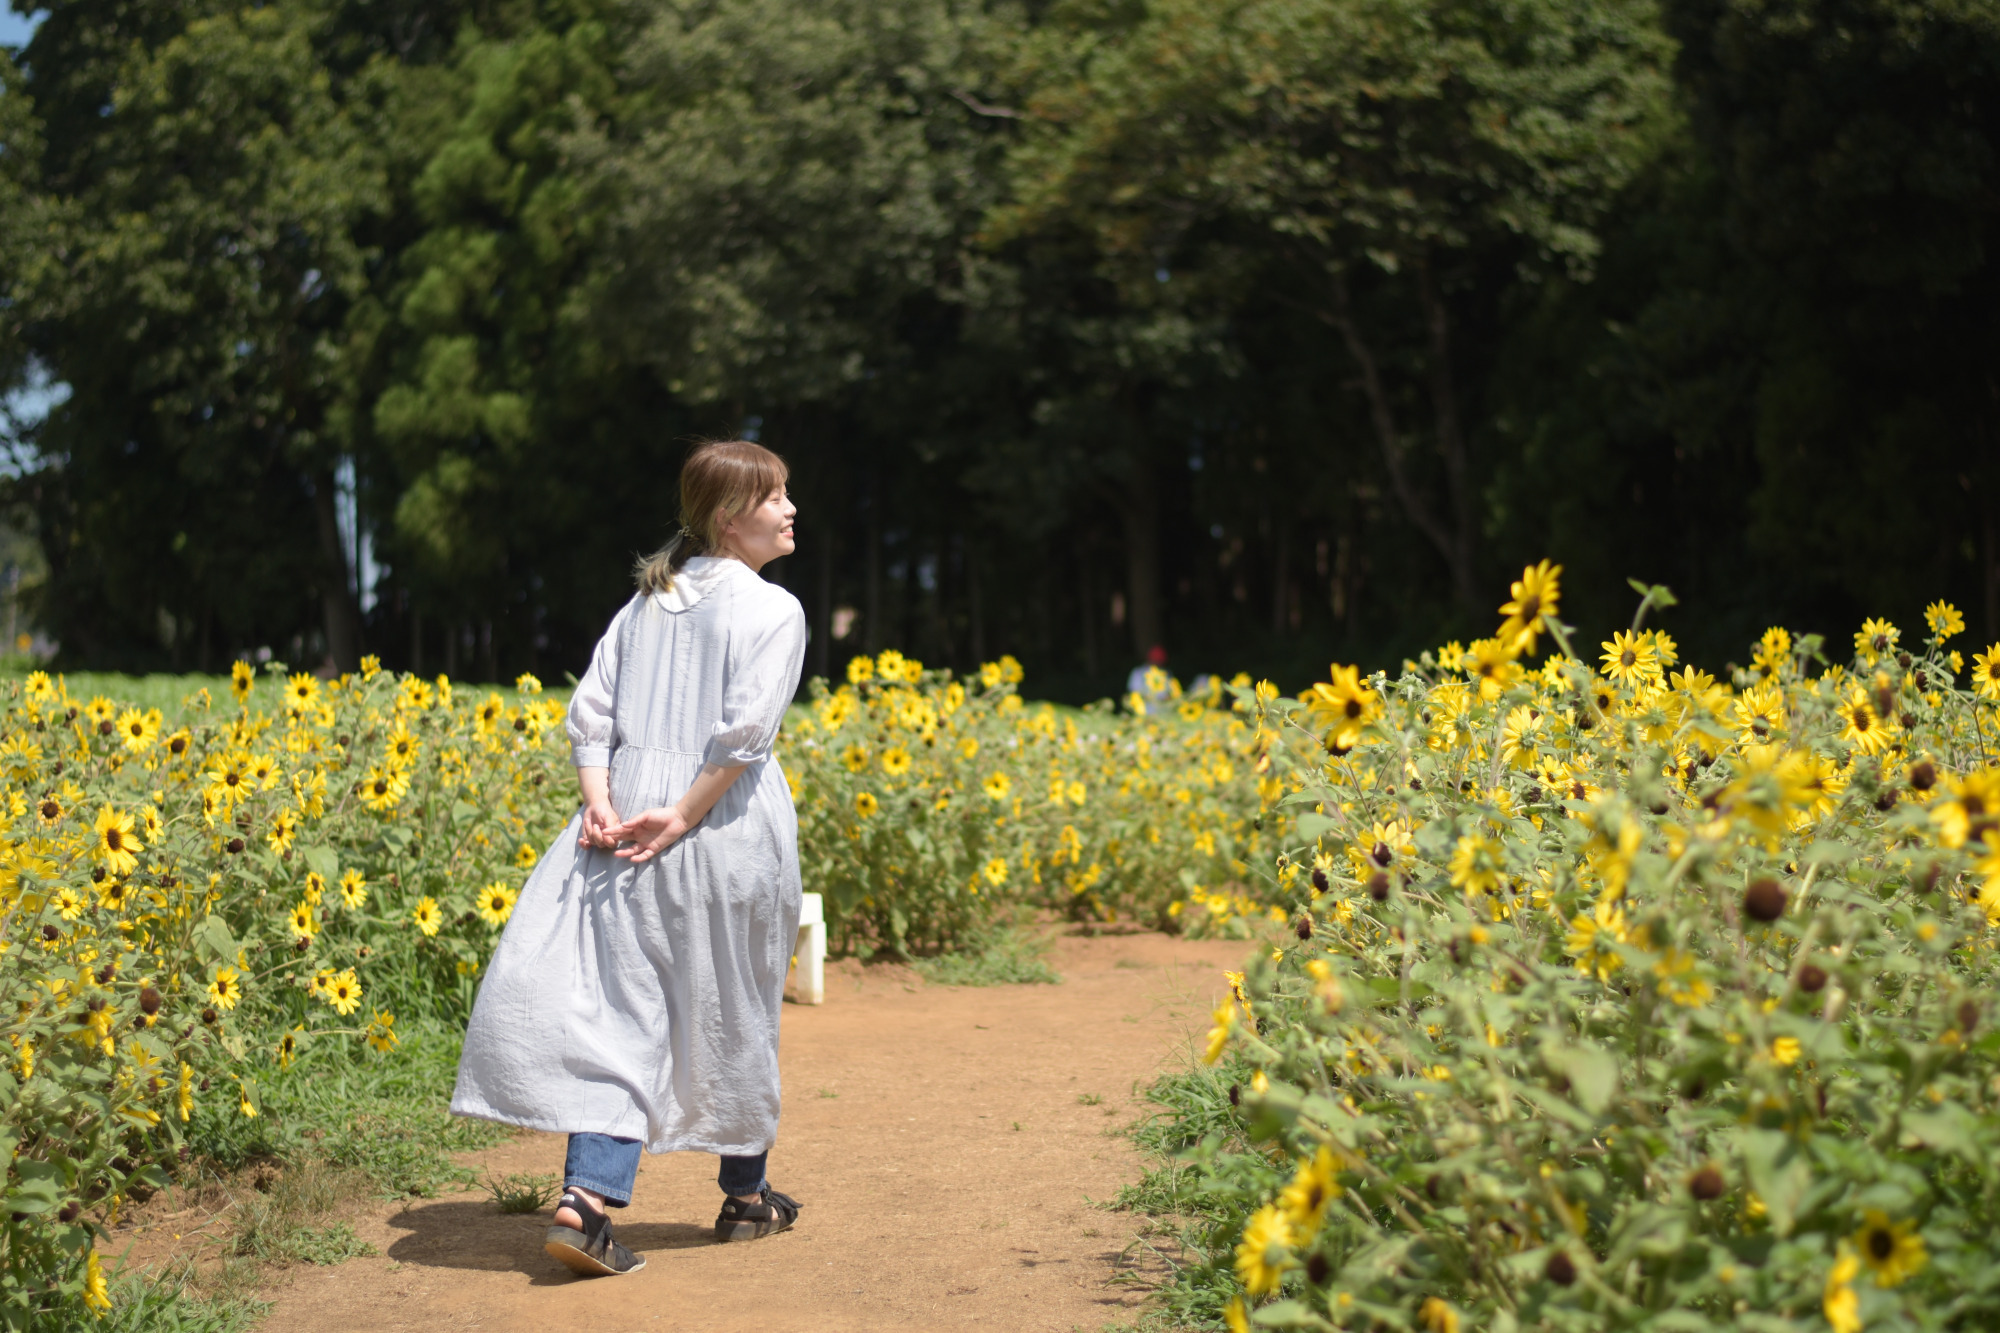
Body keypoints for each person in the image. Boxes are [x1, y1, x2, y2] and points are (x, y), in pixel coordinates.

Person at [451, 439, 809, 1276]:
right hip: (716, 822)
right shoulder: (774, 610)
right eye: (776, 495)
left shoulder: (646, 603)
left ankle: (588, 1201)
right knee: (732, 1001)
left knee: (620, 1009)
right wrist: (680, 817)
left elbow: (591, 714)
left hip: (623, 824)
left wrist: (600, 800)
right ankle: (747, 1197)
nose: (792, 508)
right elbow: (744, 739)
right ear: (729, 516)